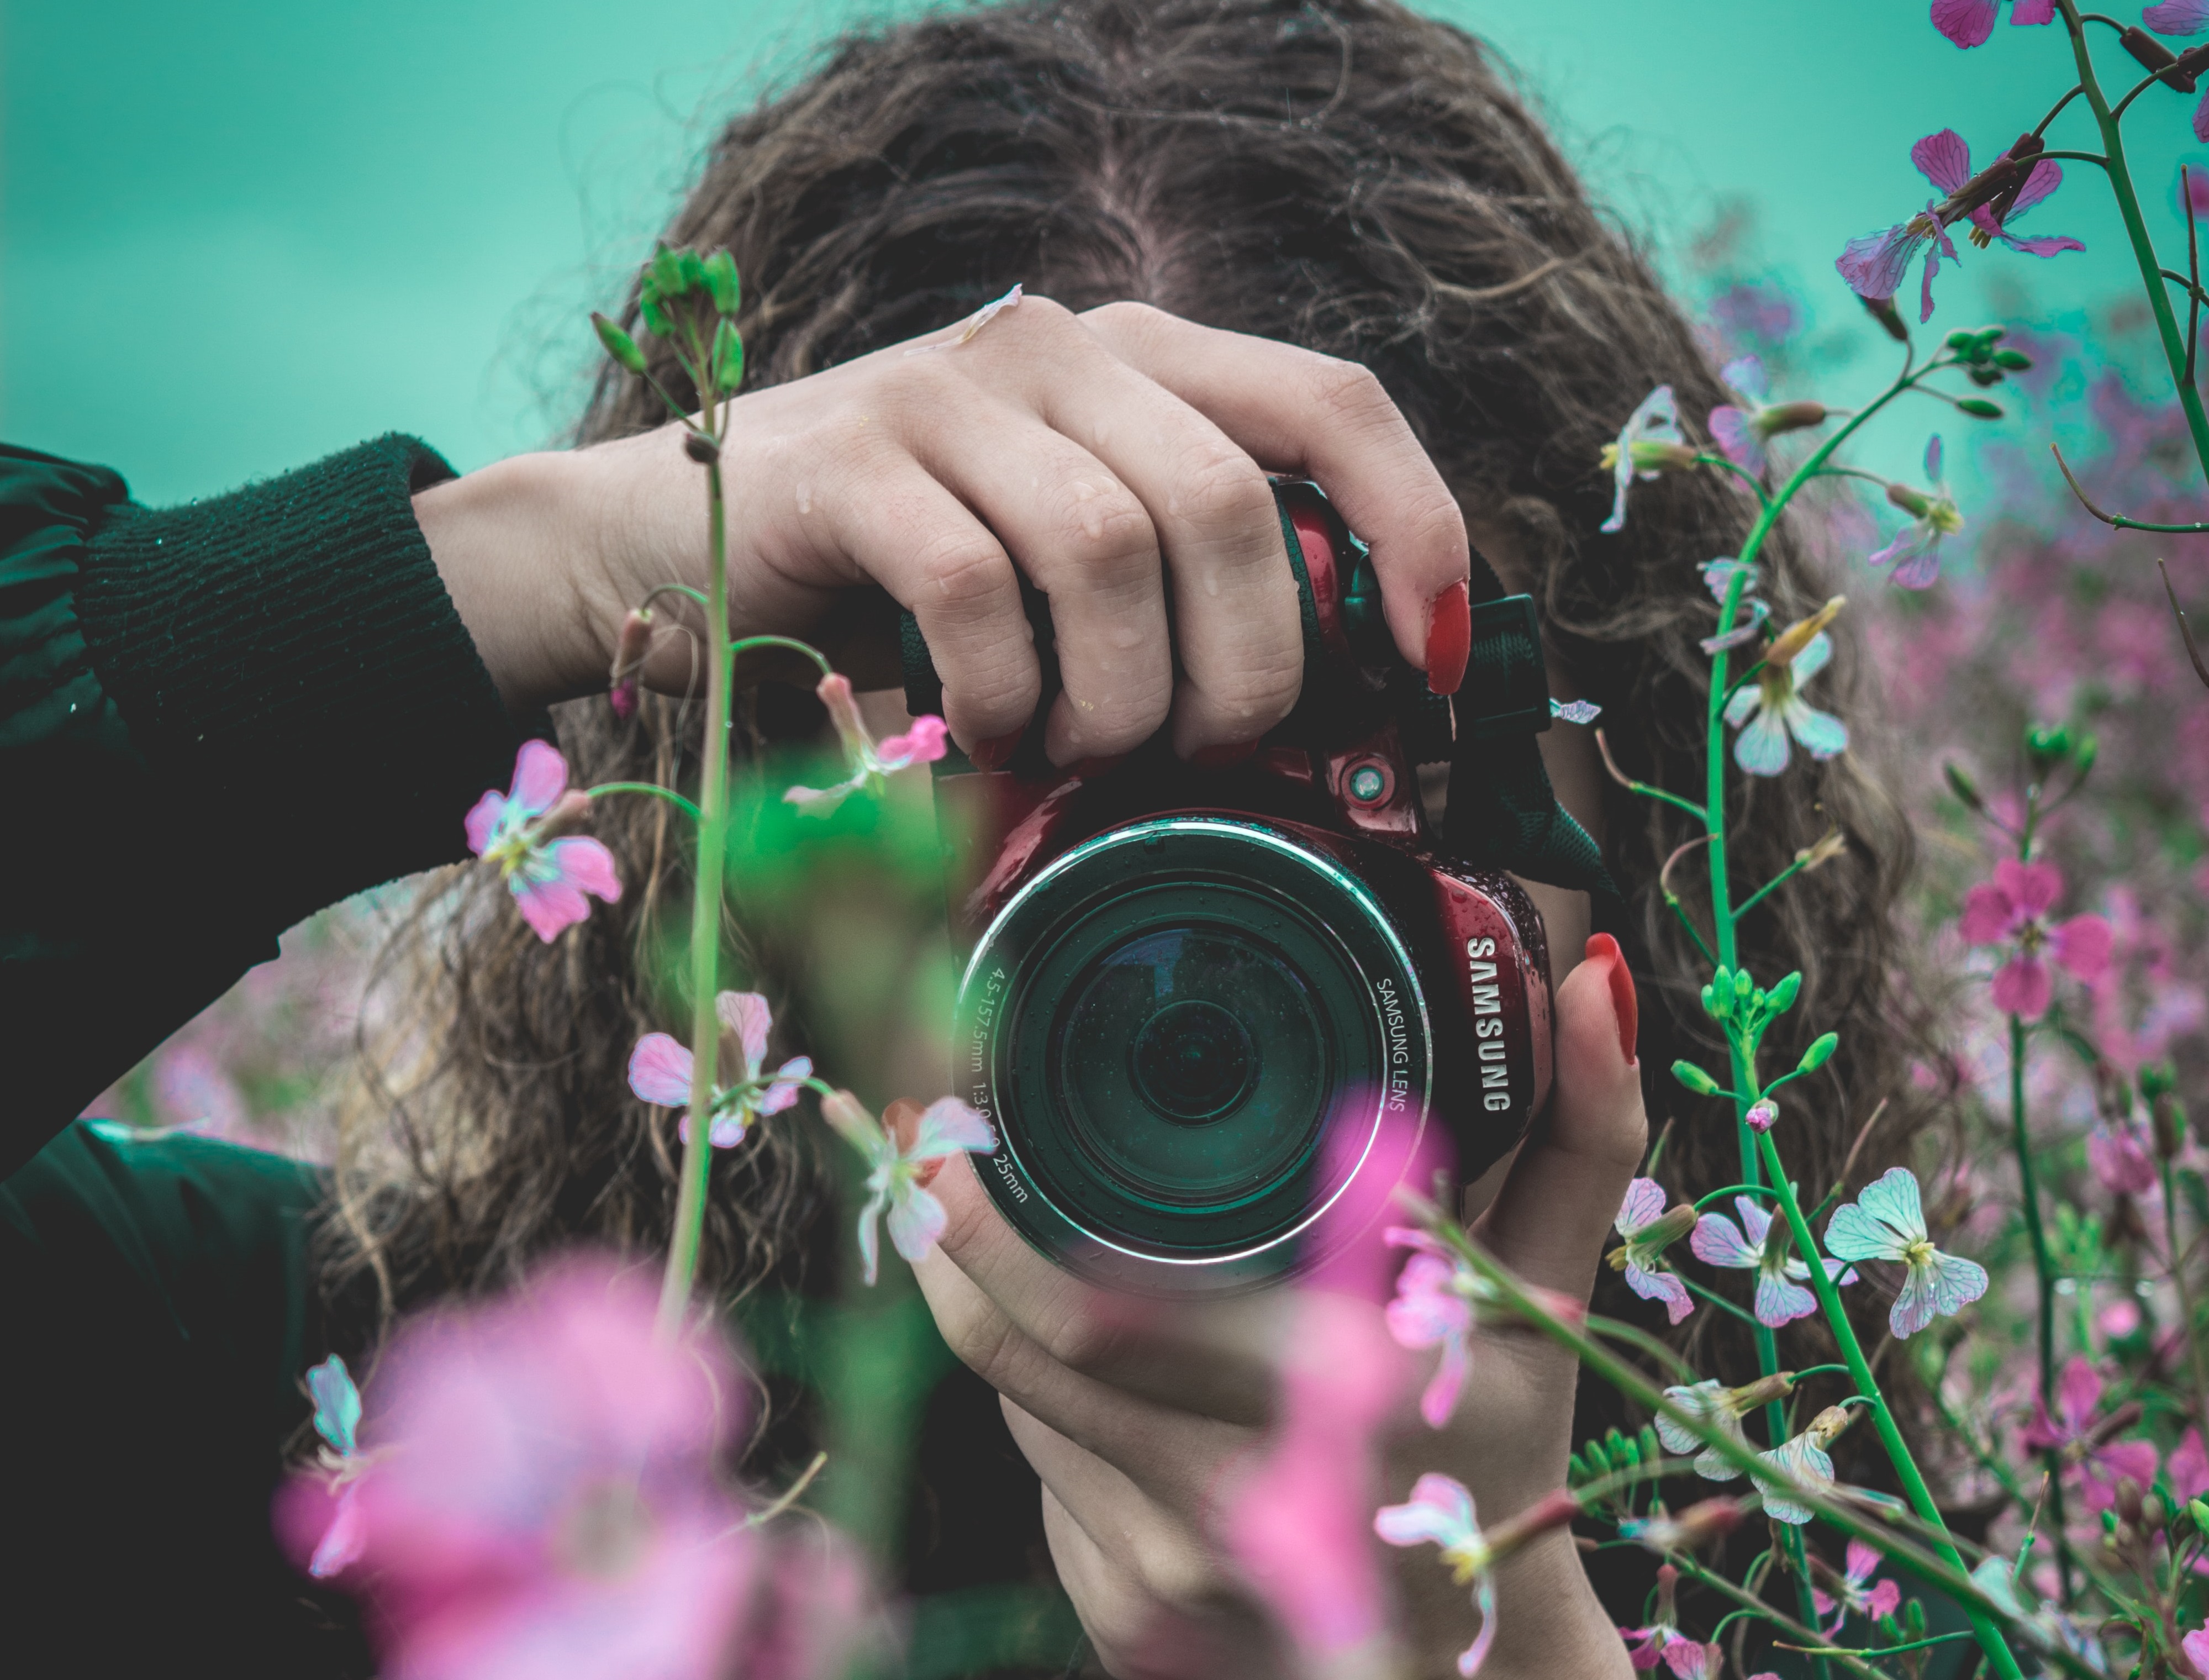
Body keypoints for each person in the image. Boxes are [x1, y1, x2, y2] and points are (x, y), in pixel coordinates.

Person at [0, 1, 1922, 1674]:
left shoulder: (1905, 1562)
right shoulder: (359, 1452)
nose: (1199, 930)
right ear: (732, 838)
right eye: (1032, 779)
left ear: (1656, 793)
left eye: (1369, 766)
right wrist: (540, 557)